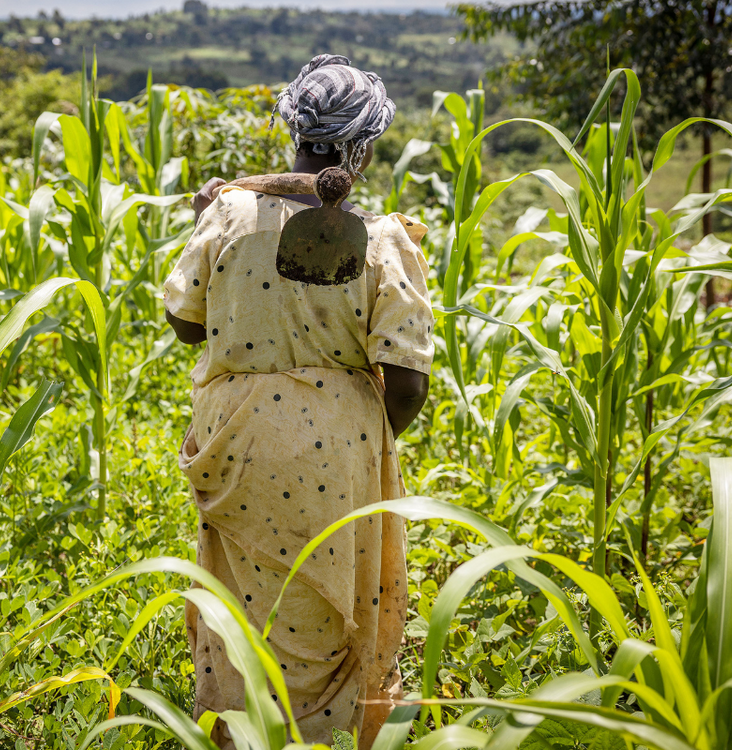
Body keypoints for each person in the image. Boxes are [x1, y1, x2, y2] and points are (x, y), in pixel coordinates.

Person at [163, 54, 433, 748]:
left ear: (295, 131)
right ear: (364, 147)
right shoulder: (381, 240)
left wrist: (204, 222)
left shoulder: (228, 214)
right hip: (339, 451)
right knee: (330, 608)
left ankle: (244, 733)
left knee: (244, 607)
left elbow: (187, 322)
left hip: (237, 438)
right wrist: (364, 432)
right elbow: (405, 380)